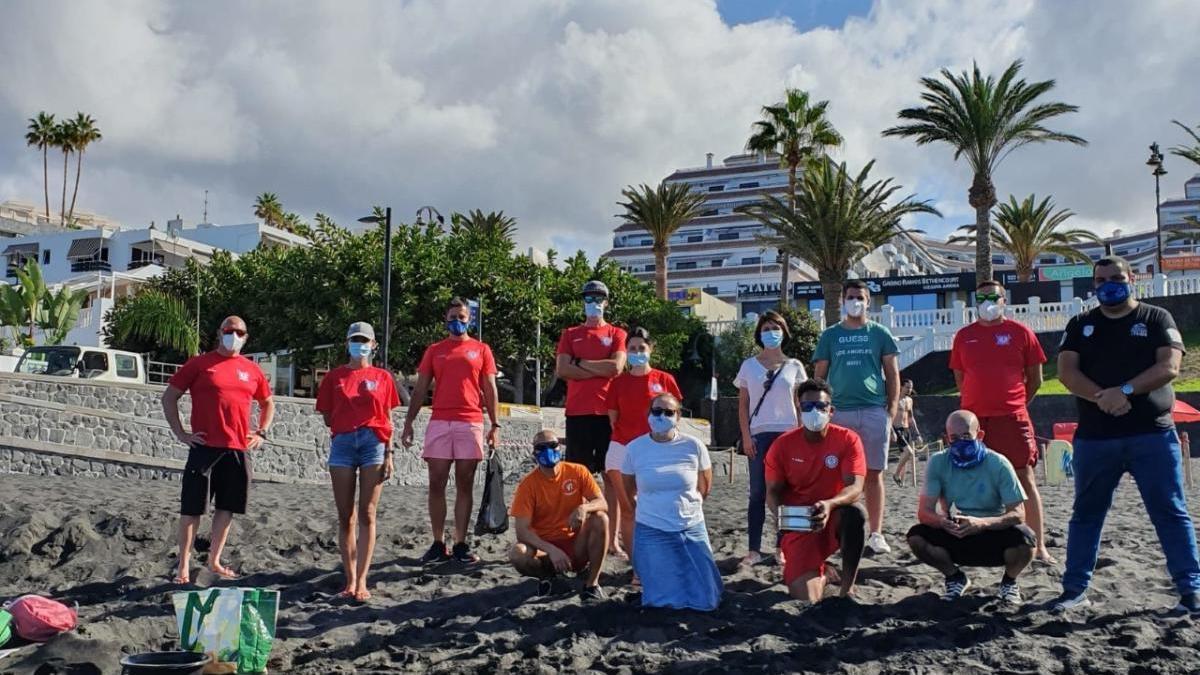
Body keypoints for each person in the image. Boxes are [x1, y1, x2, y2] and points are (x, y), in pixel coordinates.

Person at [1054, 256, 1200, 614]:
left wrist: (1126, 390)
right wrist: (1103, 398)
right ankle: (1075, 590)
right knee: (1086, 514)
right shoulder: (1080, 323)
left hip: (1151, 434)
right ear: (1094, 284)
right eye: (1101, 279)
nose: (1109, 284)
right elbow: (1066, 373)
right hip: (1096, 437)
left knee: (1170, 512)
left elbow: (1170, 366)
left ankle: (1191, 591)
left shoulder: (1156, 318)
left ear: (1132, 278)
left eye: (1116, 277)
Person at [162, 316, 274, 584]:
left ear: (246, 337)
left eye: (239, 332)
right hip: (204, 448)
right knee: (192, 509)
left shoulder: (252, 370)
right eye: (229, 330)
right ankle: (184, 565)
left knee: (227, 507)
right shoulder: (200, 364)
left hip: (237, 448)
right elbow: (170, 397)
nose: (233, 335)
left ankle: (214, 559)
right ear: (220, 332)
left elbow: (268, 402)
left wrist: (261, 432)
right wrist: (181, 434)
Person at [948, 281, 1052, 563]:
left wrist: (1014, 404)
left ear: (1004, 300)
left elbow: (1036, 378)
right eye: (980, 297)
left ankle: (1038, 545)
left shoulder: (1021, 332)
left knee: (1024, 478)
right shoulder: (964, 336)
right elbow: (961, 377)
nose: (987, 301)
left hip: (1012, 418)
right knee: (972, 478)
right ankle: (977, 539)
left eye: (993, 296)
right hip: (974, 422)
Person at [401, 298, 501, 565]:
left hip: (470, 421)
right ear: (445, 321)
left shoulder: (481, 349)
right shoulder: (435, 350)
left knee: (464, 483)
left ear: (471, 319)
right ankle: (437, 542)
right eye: (452, 317)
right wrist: (408, 422)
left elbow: (490, 389)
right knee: (436, 482)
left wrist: (495, 424)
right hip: (440, 421)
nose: (457, 321)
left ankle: (460, 542)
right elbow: (421, 388)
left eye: (462, 316)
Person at [906, 410, 1036, 604]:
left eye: (966, 436)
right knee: (916, 536)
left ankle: (1009, 582)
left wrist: (983, 523)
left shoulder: (998, 463)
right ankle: (954, 577)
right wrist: (942, 521)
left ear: (979, 435)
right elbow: (924, 512)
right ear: (946, 438)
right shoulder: (938, 462)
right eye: (954, 438)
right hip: (958, 530)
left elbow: (1018, 513)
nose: (960, 442)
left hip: (992, 531)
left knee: (1026, 539)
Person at [315, 322, 401, 601]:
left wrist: (390, 453)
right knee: (345, 515)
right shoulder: (334, 377)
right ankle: (349, 579)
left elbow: (388, 417)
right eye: (355, 339)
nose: (360, 344)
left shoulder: (383, 377)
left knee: (367, 512)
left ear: (374, 344)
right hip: (342, 442)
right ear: (347, 343)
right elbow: (328, 415)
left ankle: (362, 580)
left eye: (364, 340)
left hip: (373, 443)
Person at [813, 280, 900, 554]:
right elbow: (819, 376)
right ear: (842, 300)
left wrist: (892, 409)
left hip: (874, 411)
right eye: (850, 296)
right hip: (838, 412)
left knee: (874, 474)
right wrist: (819, 410)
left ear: (868, 300)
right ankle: (837, 533)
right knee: (838, 475)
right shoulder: (830, 335)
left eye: (860, 297)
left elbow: (892, 373)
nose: (855, 301)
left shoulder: (880, 333)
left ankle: (876, 533)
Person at [765, 378, 866, 603]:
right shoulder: (782, 445)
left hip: (833, 513)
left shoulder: (848, 439)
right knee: (807, 599)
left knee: (856, 514)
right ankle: (824, 575)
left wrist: (829, 505)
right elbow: (772, 492)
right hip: (801, 522)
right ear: (799, 410)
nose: (814, 412)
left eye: (820, 406)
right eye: (807, 407)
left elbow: (856, 486)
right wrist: (782, 517)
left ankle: (847, 588)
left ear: (831, 411)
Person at [621, 393, 721, 610]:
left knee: (707, 600)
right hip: (652, 528)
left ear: (678, 416)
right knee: (663, 601)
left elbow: (705, 486)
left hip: (690, 526)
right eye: (657, 411)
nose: (662, 416)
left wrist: (689, 507)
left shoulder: (694, 446)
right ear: (648, 414)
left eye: (669, 412)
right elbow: (628, 489)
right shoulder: (634, 448)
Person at [734, 310, 808, 567]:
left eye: (775, 327)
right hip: (759, 435)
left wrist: (802, 435)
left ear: (784, 332)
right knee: (757, 493)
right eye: (766, 328)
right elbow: (743, 405)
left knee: (786, 493)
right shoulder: (748, 366)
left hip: (788, 434)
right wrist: (746, 436)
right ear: (759, 334)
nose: (771, 332)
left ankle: (782, 547)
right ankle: (754, 549)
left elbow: (801, 404)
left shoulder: (795, 366)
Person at [555, 280, 627, 531]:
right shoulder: (570, 334)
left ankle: (613, 538)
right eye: (588, 298)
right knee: (578, 479)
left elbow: (616, 368)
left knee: (612, 478)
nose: (593, 303)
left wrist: (581, 363)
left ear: (606, 302)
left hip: (608, 415)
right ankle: (580, 533)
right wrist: (599, 368)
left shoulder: (617, 334)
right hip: (577, 414)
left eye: (598, 298)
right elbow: (563, 369)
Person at [605, 327, 682, 560]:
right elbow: (613, 419)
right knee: (629, 508)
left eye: (641, 348)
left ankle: (658, 554)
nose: (637, 352)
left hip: (655, 451)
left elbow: (674, 417)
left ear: (651, 349)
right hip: (621, 448)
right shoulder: (618, 383)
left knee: (653, 507)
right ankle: (637, 564)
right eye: (632, 348)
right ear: (626, 351)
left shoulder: (665, 379)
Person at [509, 429, 610, 600]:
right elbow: (522, 531)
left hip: (576, 544)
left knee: (601, 518)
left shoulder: (577, 471)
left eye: (553, 445)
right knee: (517, 553)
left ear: (560, 447)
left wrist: (583, 508)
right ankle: (548, 579)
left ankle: (592, 584)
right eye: (541, 447)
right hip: (545, 549)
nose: (548, 451)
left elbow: (602, 502)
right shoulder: (528, 485)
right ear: (534, 452)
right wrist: (551, 550)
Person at [892, 380, 919, 485]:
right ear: (901, 387)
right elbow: (888, 415)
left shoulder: (909, 400)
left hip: (905, 429)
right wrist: (891, 431)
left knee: (905, 455)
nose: (909, 390)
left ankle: (900, 480)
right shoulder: (895, 398)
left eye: (911, 387)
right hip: (896, 428)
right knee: (909, 452)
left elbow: (911, 417)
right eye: (907, 387)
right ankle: (896, 474)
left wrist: (917, 433)